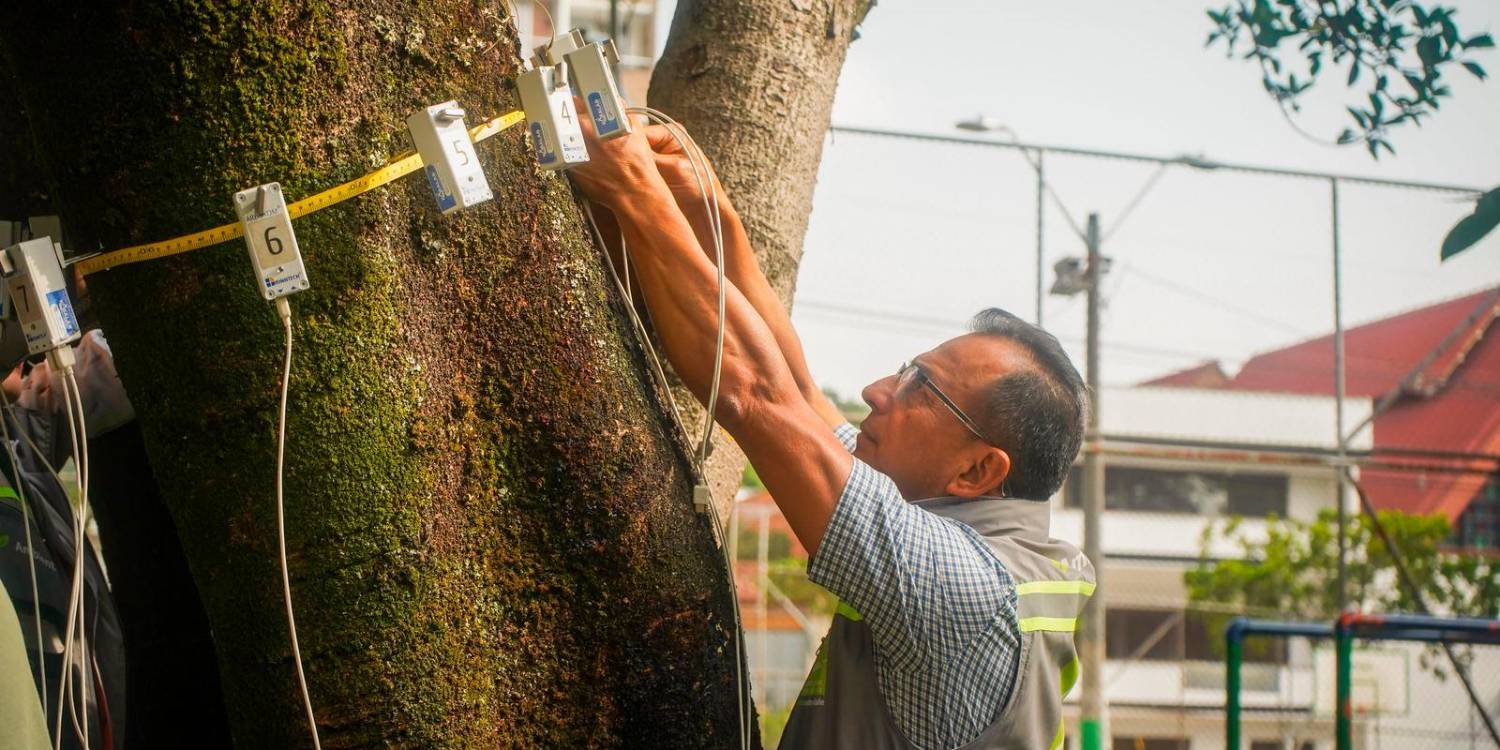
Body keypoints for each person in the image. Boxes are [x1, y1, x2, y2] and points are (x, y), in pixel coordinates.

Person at [570, 118, 1096, 750]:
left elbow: (757, 398)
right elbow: (799, 392)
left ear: (978, 471)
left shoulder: (966, 590)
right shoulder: (952, 515)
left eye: (918, 388)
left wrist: (633, 189)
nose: (878, 391)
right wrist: (705, 207)